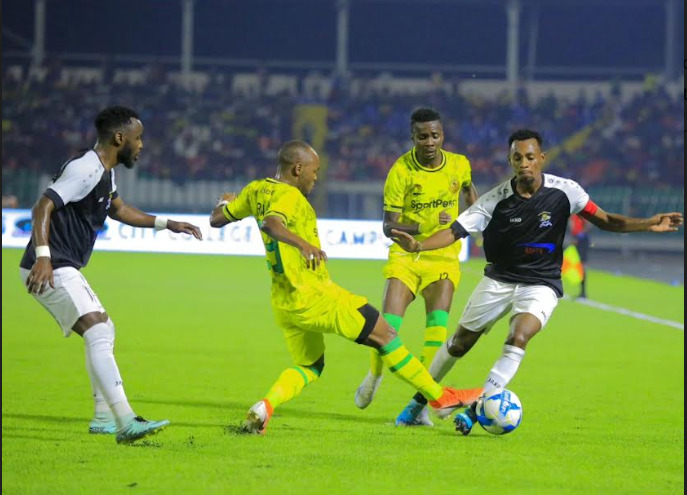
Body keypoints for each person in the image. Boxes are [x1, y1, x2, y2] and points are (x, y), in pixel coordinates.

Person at [390, 129, 683, 433]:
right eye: (517, 158)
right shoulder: (495, 200)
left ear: (541, 158)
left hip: (541, 283)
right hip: (499, 280)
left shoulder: (566, 191)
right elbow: (454, 231)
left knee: (518, 336)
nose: (524, 163)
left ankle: (479, 407)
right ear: (510, 161)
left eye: (530, 157)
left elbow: (606, 220)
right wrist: (419, 245)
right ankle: (417, 405)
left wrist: (648, 223)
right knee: (459, 344)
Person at [209, 140, 482, 435]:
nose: (316, 177)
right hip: (315, 296)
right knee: (386, 335)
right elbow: (271, 225)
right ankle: (439, 398)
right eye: (314, 171)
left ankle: (265, 407)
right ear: (298, 169)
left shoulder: (255, 190)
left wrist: (224, 203)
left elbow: (217, 219)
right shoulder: (289, 196)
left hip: (284, 302)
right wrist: (303, 245)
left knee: (311, 366)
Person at [20, 106, 203, 444]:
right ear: (120, 138)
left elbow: (118, 209)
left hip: (60, 263)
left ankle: (104, 417)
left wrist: (168, 223)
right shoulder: (86, 168)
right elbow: (42, 206)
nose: (141, 145)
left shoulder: (104, 172)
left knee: (104, 330)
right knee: (99, 330)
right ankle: (125, 420)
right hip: (50, 265)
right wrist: (43, 258)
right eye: (138, 138)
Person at [353, 108, 478, 427]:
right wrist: (424, 225)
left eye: (435, 135)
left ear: (443, 135)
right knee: (388, 325)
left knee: (436, 330)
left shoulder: (459, 165)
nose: (429, 142)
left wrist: (474, 218)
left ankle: (420, 405)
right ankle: (375, 374)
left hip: (444, 256)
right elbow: (388, 226)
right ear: (413, 138)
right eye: (423, 136)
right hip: (406, 256)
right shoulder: (401, 171)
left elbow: (470, 194)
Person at [567, 213, 591, 298]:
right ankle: (581, 291)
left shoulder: (580, 211)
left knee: (582, 264)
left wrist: (579, 237)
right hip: (576, 239)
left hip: (582, 240)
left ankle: (583, 292)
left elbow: (588, 224)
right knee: (575, 263)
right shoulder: (572, 213)